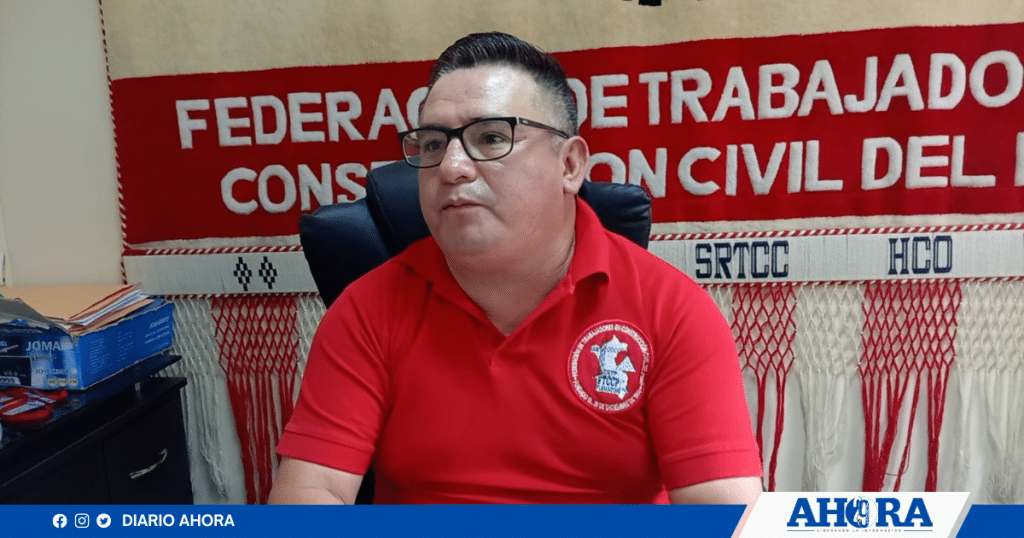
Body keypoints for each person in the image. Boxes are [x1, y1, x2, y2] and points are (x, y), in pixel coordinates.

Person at [269, 31, 762, 506]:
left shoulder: (672, 310)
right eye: (433, 144)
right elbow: (310, 493)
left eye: (490, 137)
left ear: (570, 165)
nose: (451, 167)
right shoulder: (366, 309)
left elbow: (723, 509)